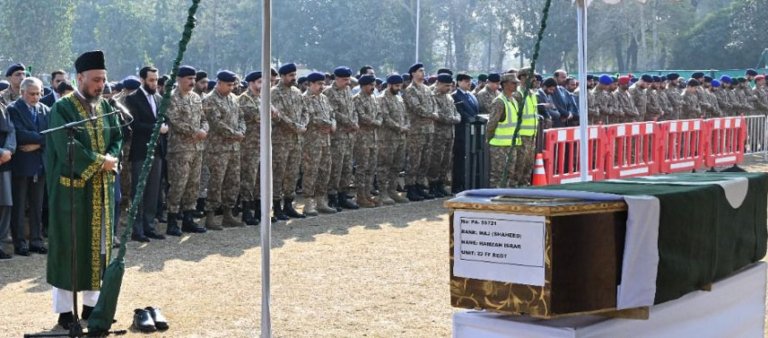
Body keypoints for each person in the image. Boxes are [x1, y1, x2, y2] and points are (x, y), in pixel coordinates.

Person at [46, 50, 122, 329]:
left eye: (103, 79)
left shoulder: (105, 106)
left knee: (99, 248)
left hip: (102, 190)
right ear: (79, 78)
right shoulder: (62, 108)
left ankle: (92, 307)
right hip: (72, 192)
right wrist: (100, 162)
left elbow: (117, 135)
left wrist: (111, 159)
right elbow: (65, 147)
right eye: (95, 80)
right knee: (70, 247)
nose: (100, 85)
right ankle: (66, 313)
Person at [164, 65, 208, 235]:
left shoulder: (196, 98)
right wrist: (195, 132)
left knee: (193, 184)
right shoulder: (171, 98)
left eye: (193, 79)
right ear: (179, 79)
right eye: (188, 79)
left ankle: (189, 219)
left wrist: (204, 130)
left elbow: (204, 118)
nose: (192, 82)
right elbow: (174, 121)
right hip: (180, 149)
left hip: (197, 148)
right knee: (178, 184)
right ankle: (172, 220)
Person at [7, 76, 48, 256]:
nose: (35, 97)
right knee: (19, 205)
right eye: (31, 94)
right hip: (22, 164)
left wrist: (38, 144)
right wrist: (42, 138)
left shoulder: (46, 110)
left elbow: (55, 133)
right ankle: (20, 242)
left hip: (39, 162)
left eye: (38, 94)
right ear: (22, 92)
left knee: (37, 205)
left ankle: (36, 240)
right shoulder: (13, 109)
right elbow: (18, 134)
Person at [124, 66, 166, 242]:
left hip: (156, 151)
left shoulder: (158, 97)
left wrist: (165, 126)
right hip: (141, 151)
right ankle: (137, 229)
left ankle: (149, 226)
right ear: (142, 80)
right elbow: (135, 124)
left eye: (156, 80)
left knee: (153, 191)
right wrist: (157, 129)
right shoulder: (132, 99)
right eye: (151, 80)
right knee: (139, 191)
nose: (154, 83)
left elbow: (164, 118)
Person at [203, 70, 246, 229]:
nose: (231, 88)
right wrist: (234, 133)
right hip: (218, 149)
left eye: (233, 85)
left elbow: (241, 117)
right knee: (216, 181)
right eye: (228, 85)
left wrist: (241, 130)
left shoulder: (234, 99)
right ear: (219, 83)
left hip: (234, 148)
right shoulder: (210, 100)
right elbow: (215, 123)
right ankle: (210, 215)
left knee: (233, 181)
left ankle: (228, 214)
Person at [271, 63, 308, 220]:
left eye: (295, 75)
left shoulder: (296, 92)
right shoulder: (274, 93)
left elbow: (305, 110)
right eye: (291, 75)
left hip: (296, 140)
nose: (294, 78)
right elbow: (278, 116)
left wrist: (304, 124)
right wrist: (296, 127)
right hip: (281, 140)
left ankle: (289, 205)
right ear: (283, 76)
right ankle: (277, 207)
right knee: (278, 173)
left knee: (292, 174)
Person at [487, 73, 537, 188]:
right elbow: (491, 124)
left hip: (512, 144)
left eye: (517, 83)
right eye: (513, 83)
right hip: (500, 145)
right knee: (498, 175)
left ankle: (506, 196)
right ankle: (496, 198)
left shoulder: (512, 100)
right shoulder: (499, 101)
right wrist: (489, 138)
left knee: (510, 173)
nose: (516, 85)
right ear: (504, 84)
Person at [323, 66, 359, 211]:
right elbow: (334, 112)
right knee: (336, 167)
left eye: (348, 80)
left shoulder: (347, 91)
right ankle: (332, 197)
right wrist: (351, 123)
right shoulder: (328, 93)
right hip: (337, 136)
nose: (347, 83)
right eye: (344, 80)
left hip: (349, 135)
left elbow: (353, 109)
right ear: (336, 79)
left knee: (347, 166)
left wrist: (355, 122)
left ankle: (343, 194)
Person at [300, 72, 336, 215]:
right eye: (319, 84)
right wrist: (329, 123)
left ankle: (321, 201)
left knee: (325, 170)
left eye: (323, 83)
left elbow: (332, 114)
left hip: (325, 141)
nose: (322, 86)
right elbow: (310, 117)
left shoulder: (324, 98)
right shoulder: (304, 99)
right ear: (311, 84)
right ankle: (308, 203)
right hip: (311, 141)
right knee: (311, 171)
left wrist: (331, 123)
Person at [403, 63, 438, 201]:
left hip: (429, 129)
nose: (423, 73)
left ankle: (419, 185)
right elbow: (416, 108)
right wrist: (432, 115)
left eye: (424, 71)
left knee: (425, 159)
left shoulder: (427, 89)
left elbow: (434, 104)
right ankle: (410, 187)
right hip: (417, 130)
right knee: (414, 160)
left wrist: (433, 114)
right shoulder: (410, 90)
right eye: (420, 71)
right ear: (413, 74)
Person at [238, 71, 268, 225]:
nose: (262, 85)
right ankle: (246, 211)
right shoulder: (244, 99)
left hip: (262, 144)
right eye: (259, 82)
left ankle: (259, 209)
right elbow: (257, 114)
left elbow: (275, 115)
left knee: (260, 179)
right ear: (251, 83)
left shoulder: (262, 98)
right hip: (249, 146)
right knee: (248, 179)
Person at [429, 73, 461, 197]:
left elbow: (456, 113)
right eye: (446, 86)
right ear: (439, 84)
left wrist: (456, 118)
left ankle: (441, 184)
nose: (449, 88)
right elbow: (439, 116)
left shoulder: (449, 97)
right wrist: (453, 119)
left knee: (446, 161)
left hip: (449, 133)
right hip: (438, 134)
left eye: (450, 86)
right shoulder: (433, 96)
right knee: (436, 160)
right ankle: (433, 185)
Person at [353, 75, 383, 208]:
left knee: (371, 168)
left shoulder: (374, 98)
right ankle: (360, 196)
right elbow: (362, 116)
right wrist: (376, 122)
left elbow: (380, 114)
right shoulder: (357, 99)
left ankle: (367, 194)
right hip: (362, 138)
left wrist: (377, 122)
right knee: (362, 168)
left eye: (374, 85)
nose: (373, 87)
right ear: (363, 86)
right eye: (370, 85)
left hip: (374, 137)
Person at [452, 72, 480, 193]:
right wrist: (473, 120)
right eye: (466, 81)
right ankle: (457, 185)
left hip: (473, 132)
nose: (469, 83)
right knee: (460, 160)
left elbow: (476, 112)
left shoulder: (472, 96)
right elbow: (461, 114)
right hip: (461, 133)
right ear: (458, 82)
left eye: (470, 80)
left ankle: (468, 182)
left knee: (471, 158)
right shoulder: (455, 96)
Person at [0, 99, 14, 260]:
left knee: (5, 204)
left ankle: (1, 245)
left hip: (5, 161)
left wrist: (7, 151)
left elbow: (11, 131)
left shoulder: (2, 105)